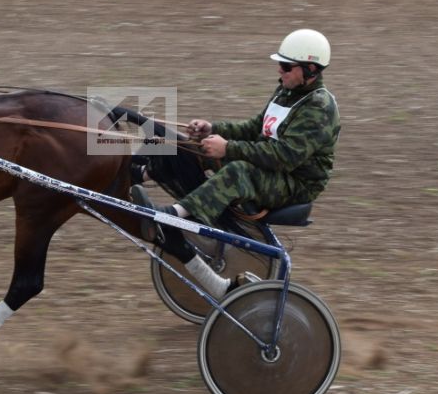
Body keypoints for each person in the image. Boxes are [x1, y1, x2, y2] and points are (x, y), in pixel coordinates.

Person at [130, 28, 341, 298]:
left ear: (310, 69)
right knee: (194, 146)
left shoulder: (318, 107)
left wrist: (228, 148)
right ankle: (140, 174)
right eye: (280, 64)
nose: (280, 70)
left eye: (286, 66)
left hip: (296, 183)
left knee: (238, 170)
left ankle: (171, 217)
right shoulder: (287, 91)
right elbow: (256, 127)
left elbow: (285, 157)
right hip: (273, 168)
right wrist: (213, 129)